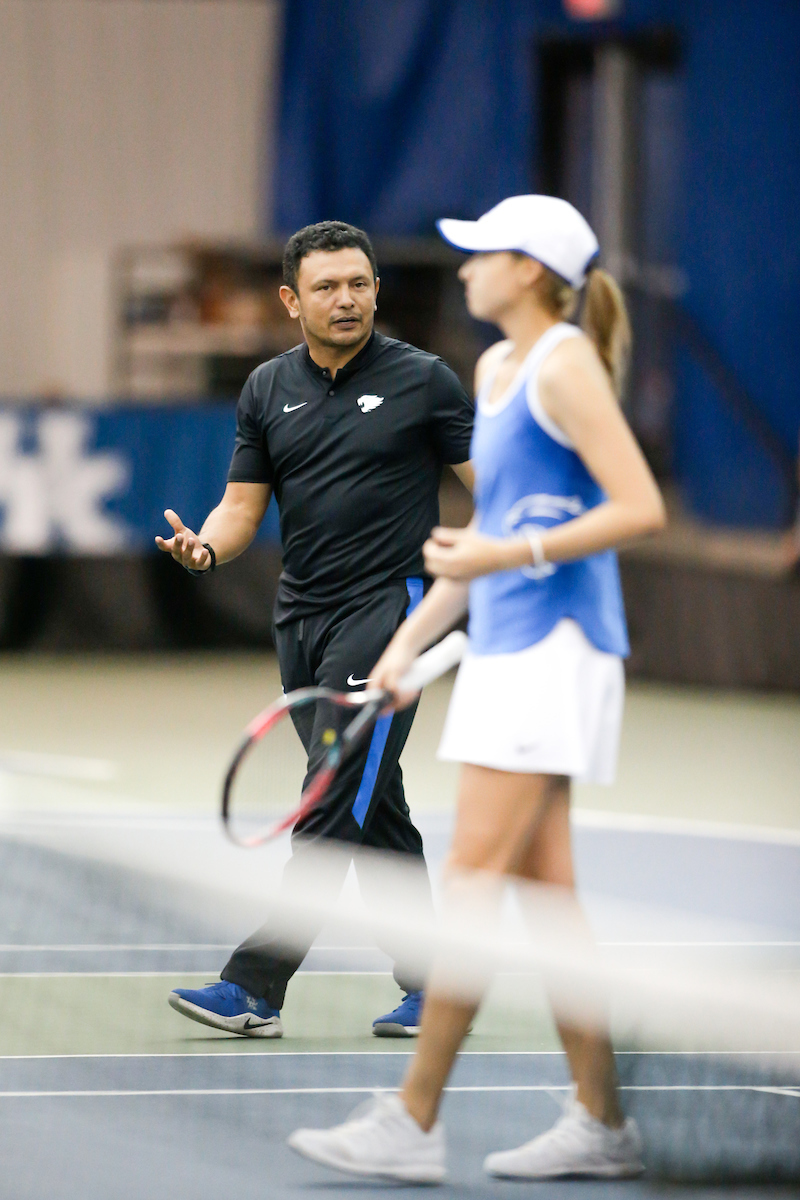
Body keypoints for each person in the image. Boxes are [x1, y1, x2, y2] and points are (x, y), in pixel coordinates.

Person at [287, 194, 666, 1182]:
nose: (460, 270)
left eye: (480, 254)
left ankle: (411, 1120)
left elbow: (638, 506)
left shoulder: (563, 364)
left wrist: (512, 550)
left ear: (529, 271)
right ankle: (601, 1121)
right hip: (500, 646)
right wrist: (405, 649)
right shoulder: (494, 371)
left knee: (468, 887)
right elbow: (470, 550)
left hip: (559, 649)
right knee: (546, 900)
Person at [157, 221, 474, 1039]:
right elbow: (240, 507)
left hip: (389, 612)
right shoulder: (266, 387)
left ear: (376, 290)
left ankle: (256, 982)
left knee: (332, 795)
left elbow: (495, 486)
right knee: (376, 804)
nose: (347, 299)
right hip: (301, 617)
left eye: (360, 284)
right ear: (292, 300)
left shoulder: (426, 381)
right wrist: (204, 549)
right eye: (328, 287)